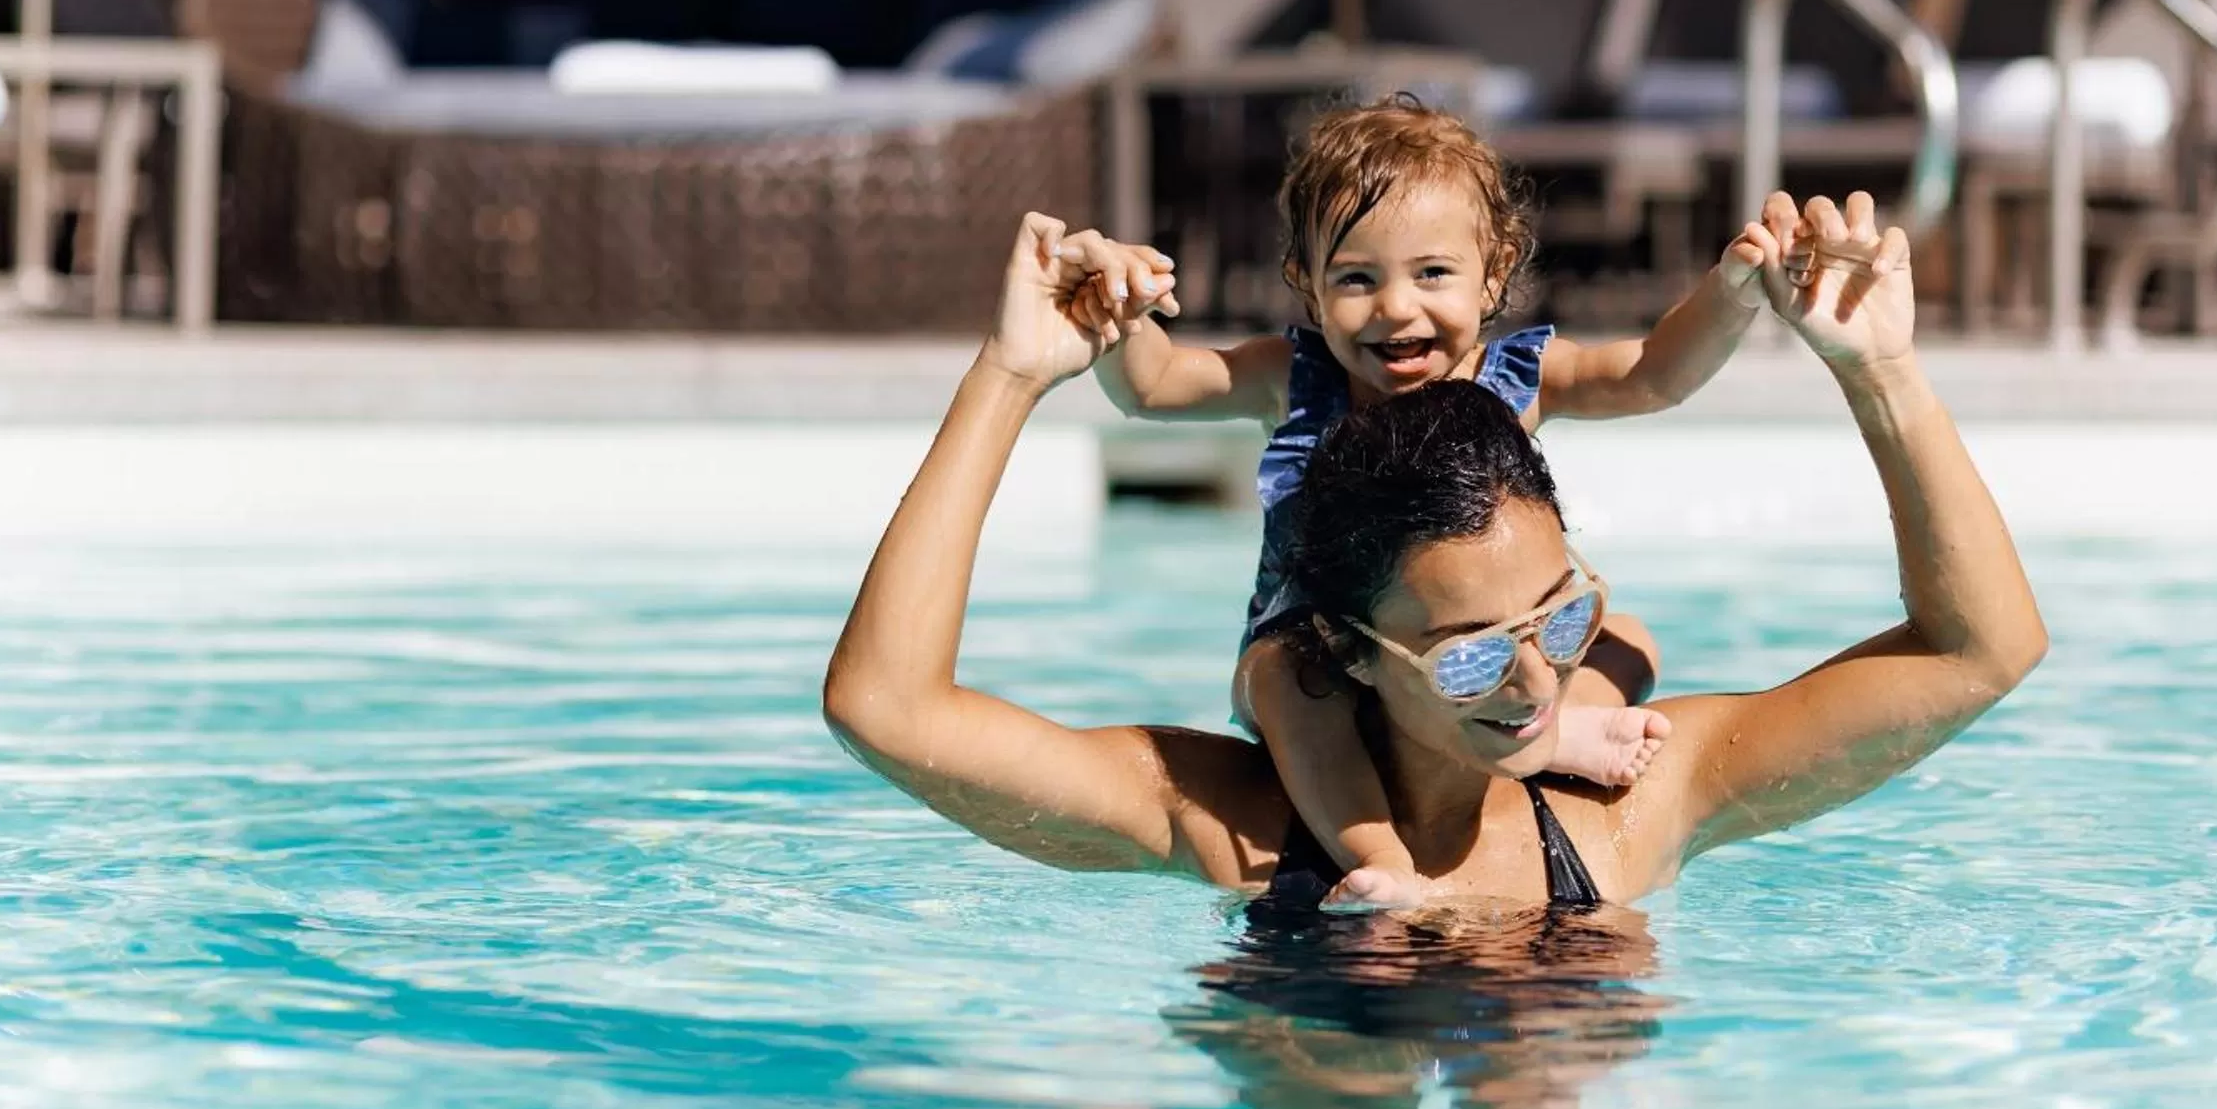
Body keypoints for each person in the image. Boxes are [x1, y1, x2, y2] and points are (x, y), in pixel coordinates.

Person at [821, 191, 2047, 909]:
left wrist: (1878, 369)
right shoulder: (1244, 825)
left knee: (1554, 1094)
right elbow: (885, 707)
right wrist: (1010, 376)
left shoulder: (1630, 803)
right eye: (1467, 658)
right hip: (1317, 1079)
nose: (1534, 685)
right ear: (1350, 655)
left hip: (1558, 1065)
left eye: (1562, 619)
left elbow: (1983, 650)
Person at [1059, 96, 1771, 907]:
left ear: (1495, 269)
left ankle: (1552, 731)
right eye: (1357, 278)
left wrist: (1734, 293)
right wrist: (1112, 310)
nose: (1397, 307)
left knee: (1628, 639)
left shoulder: (1513, 379)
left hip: (1477, 666)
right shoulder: (1295, 380)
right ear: (1308, 285)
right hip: (1326, 658)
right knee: (1287, 681)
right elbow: (1153, 386)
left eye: (1433, 273)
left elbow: (1652, 374)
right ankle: (1382, 859)